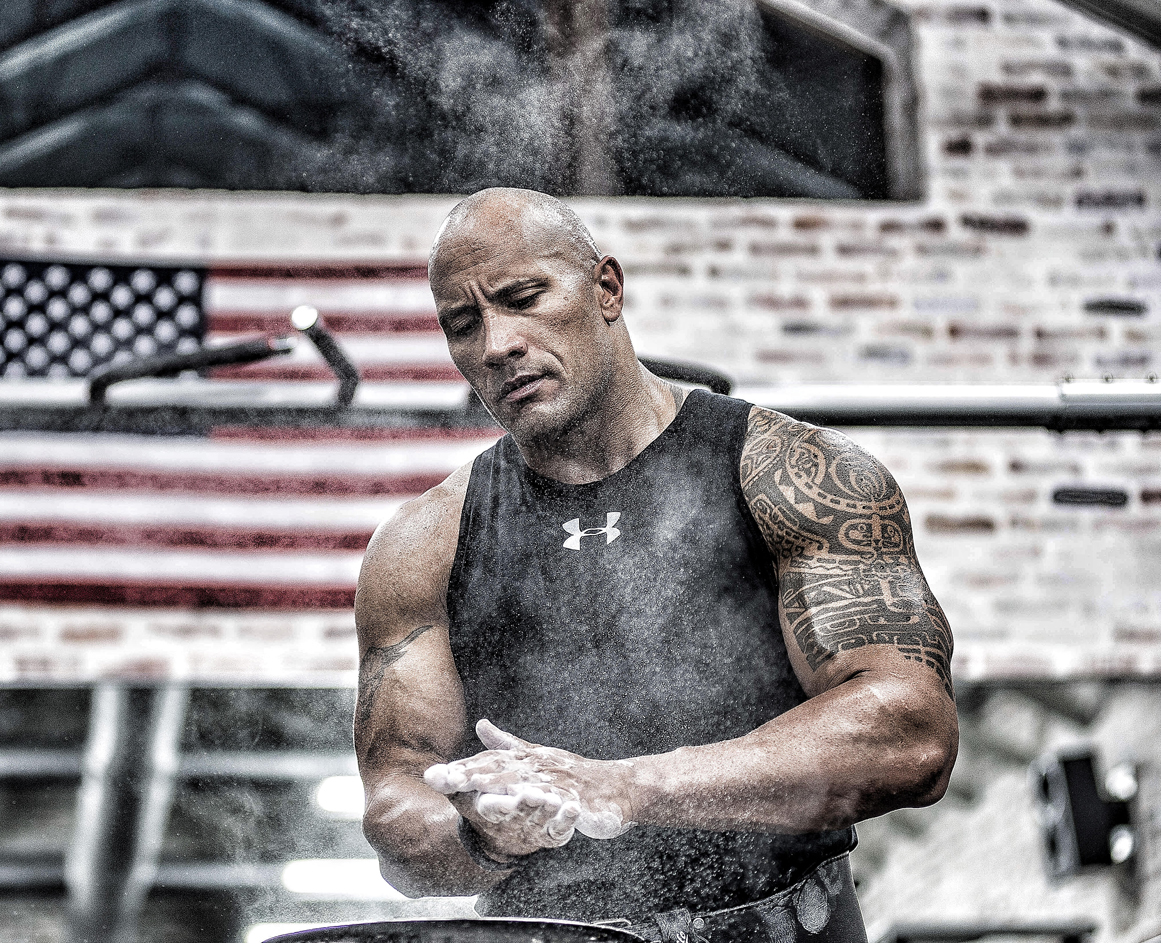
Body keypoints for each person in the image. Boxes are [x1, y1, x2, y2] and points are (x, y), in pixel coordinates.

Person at [353, 188, 957, 942]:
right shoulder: (423, 544)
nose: (497, 344)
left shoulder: (787, 472)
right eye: (463, 324)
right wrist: (485, 836)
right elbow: (396, 812)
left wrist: (621, 787)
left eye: (523, 299)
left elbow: (912, 734)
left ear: (606, 289)